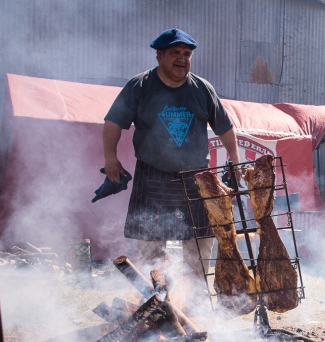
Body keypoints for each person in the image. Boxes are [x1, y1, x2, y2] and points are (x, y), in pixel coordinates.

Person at [102, 28, 242, 280]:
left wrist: (235, 157)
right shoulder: (140, 86)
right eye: (175, 52)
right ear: (159, 55)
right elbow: (113, 122)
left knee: (200, 242)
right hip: (152, 175)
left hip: (196, 178)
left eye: (187, 53)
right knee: (149, 247)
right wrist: (110, 159)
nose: (182, 58)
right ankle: (152, 299)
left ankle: (194, 300)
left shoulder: (202, 88)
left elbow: (225, 126)